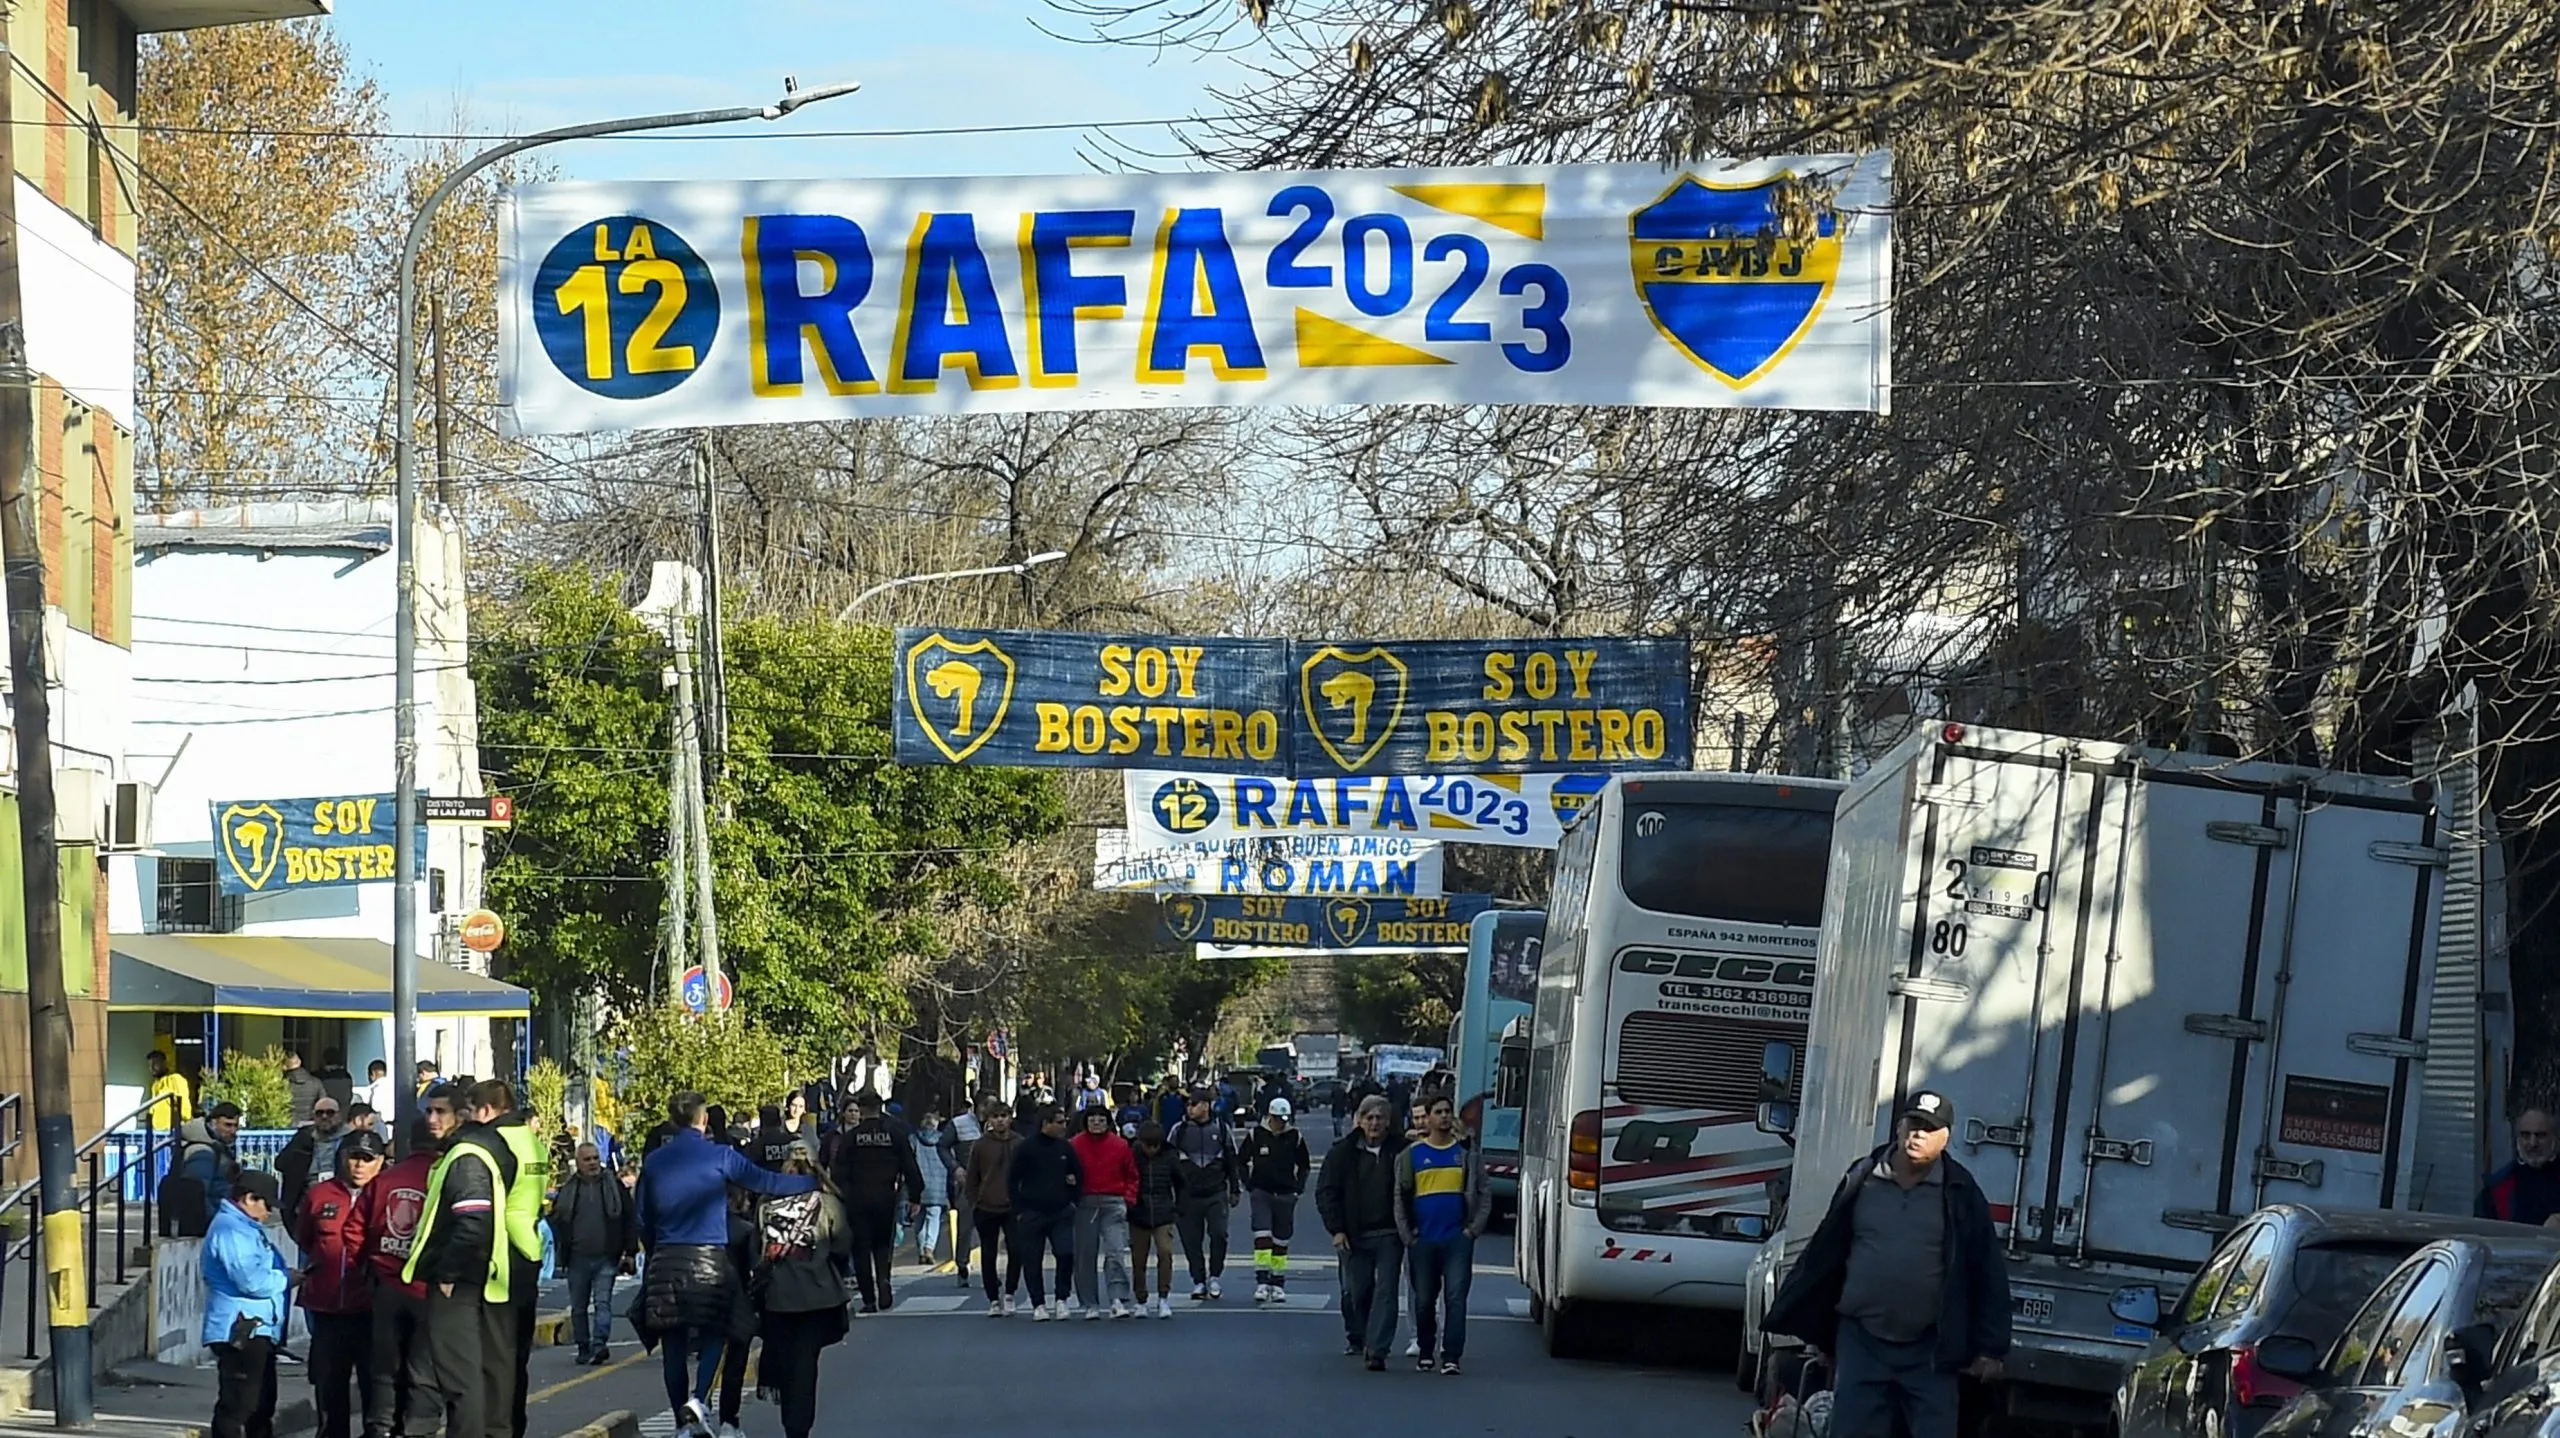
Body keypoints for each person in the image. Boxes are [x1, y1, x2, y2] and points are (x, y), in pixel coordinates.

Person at [1762, 1091, 2011, 1438]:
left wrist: (1991, 1348)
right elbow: (1826, 1256)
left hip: (1930, 1348)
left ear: (1946, 1138)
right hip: (1862, 1339)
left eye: (1929, 1128)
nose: (1918, 1134)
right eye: (1913, 1124)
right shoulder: (1863, 1178)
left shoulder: (1959, 1191)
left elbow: (1986, 1270)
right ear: (1898, 1127)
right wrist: (1820, 1334)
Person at [636, 1092, 816, 1438]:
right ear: (703, 1121)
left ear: (673, 1120)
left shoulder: (655, 1162)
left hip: (665, 1259)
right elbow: (767, 1182)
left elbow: (642, 1217)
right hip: (708, 1258)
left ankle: (681, 1424)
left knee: (672, 1345)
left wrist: (655, 1246)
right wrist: (811, 1182)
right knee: (721, 1331)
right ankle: (700, 1400)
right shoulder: (720, 1155)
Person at [404, 1078, 517, 1438]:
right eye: (429, 1112)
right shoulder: (466, 1151)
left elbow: (472, 1221)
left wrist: (449, 1273)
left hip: (459, 1282)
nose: (432, 1119)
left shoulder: (467, 1157)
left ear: (463, 1115)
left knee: (458, 1378)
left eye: (441, 1112)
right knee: (450, 1372)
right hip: (470, 1279)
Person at [746, 1144, 853, 1438]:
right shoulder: (827, 1203)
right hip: (818, 1295)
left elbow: (757, 1250)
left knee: (787, 1361)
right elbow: (843, 1245)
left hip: (777, 1298)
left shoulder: (766, 1205)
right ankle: (799, 1425)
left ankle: (791, 1421)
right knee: (806, 1364)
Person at [348, 1111, 443, 1438]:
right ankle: (420, 1427)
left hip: (386, 1285)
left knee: (385, 1365)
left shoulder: (385, 1181)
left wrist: (369, 1264)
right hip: (427, 1287)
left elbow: (354, 1231)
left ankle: (382, 1426)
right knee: (424, 1366)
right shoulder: (441, 1177)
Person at [465, 1080, 549, 1438]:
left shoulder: (492, 1143)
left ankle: (496, 1429)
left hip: (499, 1258)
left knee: (495, 1356)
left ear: (485, 1111)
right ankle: (514, 1426)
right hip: (529, 1249)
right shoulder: (533, 1143)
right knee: (516, 1356)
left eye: (470, 1112)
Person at [296, 1129, 385, 1438]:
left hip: (372, 1310)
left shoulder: (387, 1194)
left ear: (380, 1162)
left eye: (366, 1159)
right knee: (329, 1387)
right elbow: (306, 1237)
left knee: (376, 1387)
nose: (359, 1165)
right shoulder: (320, 1194)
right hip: (327, 1308)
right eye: (353, 1157)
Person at [1396, 1092, 1490, 1376]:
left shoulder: (1465, 1154)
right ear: (1429, 1117)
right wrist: (1408, 1236)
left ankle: (1451, 1355)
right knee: (1424, 1300)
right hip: (1423, 1240)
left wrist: (1471, 1231)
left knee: (1456, 1297)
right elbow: (1399, 1197)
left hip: (1456, 1239)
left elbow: (1483, 1194)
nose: (1444, 1116)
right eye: (1438, 1112)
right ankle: (1426, 1350)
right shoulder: (1411, 1155)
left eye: (1448, 1111)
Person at [1320, 1095, 1410, 1369]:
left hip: (1390, 1234)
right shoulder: (1342, 1153)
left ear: (1388, 1122)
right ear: (1359, 1120)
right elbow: (1326, 1193)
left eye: (1380, 1118)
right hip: (1354, 1236)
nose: (1374, 1123)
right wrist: (1337, 1230)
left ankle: (1377, 1349)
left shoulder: (1402, 1151)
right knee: (1357, 1291)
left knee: (1386, 1291)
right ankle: (1359, 1334)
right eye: (1369, 1117)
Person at [205, 1170, 290, 1438]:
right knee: (239, 1405)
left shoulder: (246, 1229)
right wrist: (286, 1279)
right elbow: (250, 1280)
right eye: (267, 1205)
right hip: (241, 1329)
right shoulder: (231, 1230)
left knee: (261, 1406)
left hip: (256, 1328)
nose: (269, 1213)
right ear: (249, 1198)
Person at [826, 1090, 923, 1313]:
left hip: (858, 1197)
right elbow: (909, 1166)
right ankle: (884, 1280)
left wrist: (843, 1194)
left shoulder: (851, 1137)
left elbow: (839, 1170)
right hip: (886, 1196)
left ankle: (869, 1299)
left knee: (860, 1248)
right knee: (882, 1245)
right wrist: (915, 1196)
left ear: (861, 1110)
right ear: (880, 1109)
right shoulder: (895, 1133)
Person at [549, 1142, 634, 1365]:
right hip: (577, 1258)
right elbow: (558, 1220)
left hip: (606, 1257)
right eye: (587, 1160)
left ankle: (599, 1344)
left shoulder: (614, 1186)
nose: (593, 1163)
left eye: (596, 1158)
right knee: (578, 1307)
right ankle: (583, 1346)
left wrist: (630, 1251)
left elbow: (629, 1218)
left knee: (603, 1303)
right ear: (578, 1164)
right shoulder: (569, 1189)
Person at [1008, 1106, 1083, 1320]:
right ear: (1045, 1123)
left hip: (1061, 1211)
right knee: (1032, 1259)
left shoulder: (1065, 1148)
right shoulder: (1025, 1148)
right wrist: (1019, 1210)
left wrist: (1073, 1200)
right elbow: (1013, 1180)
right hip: (1032, 1212)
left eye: (1064, 1121)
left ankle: (1061, 1299)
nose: (1063, 1126)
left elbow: (1077, 1174)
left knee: (1066, 1253)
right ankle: (1038, 1303)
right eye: (1058, 1122)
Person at [1238, 1097, 1311, 1304]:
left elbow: (1304, 1165)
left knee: (1281, 1239)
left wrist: (1298, 1188)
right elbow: (1241, 1161)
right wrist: (1249, 1184)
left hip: (1286, 1194)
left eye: (1284, 1119)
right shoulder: (1256, 1135)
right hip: (1262, 1192)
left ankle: (1277, 1282)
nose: (1281, 1123)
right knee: (1262, 1236)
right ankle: (1262, 1281)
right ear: (1270, 1116)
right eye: (1277, 1119)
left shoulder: (1294, 1136)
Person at [1168, 1088, 1238, 1302]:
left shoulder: (1222, 1129)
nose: (1189, 1108)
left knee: (1219, 1234)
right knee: (1191, 1240)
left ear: (1206, 1106)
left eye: (1194, 1104)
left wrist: (1235, 1189)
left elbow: (1231, 1161)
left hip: (1216, 1192)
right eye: (1188, 1105)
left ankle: (1215, 1276)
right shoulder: (1178, 1131)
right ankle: (1198, 1280)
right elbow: (1167, 1161)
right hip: (1187, 1195)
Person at [1069, 1105, 1139, 1319]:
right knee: (1084, 1255)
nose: (1097, 1123)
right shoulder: (1074, 1145)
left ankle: (1117, 1299)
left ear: (1108, 1122)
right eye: (1092, 1120)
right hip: (1085, 1203)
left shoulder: (1120, 1146)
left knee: (1115, 1251)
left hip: (1113, 1202)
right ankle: (1089, 1303)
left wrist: (1128, 1199)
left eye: (1101, 1119)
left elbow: (1132, 1175)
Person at [962, 1107, 1021, 1315]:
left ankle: (1010, 1293)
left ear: (1010, 1118)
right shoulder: (981, 1145)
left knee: (1016, 1250)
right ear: (989, 1120)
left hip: (1014, 1206)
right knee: (989, 1253)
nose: (1000, 1121)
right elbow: (972, 1177)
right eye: (995, 1117)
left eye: (1003, 1117)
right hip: (986, 1205)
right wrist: (974, 1201)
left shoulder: (1019, 1143)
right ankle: (993, 1298)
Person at [166, 1101, 245, 1237]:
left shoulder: (216, 1148)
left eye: (235, 1126)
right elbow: (197, 1196)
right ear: (213, 1123)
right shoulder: (202, 1152)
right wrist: (218, 1222)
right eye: (227, 1125)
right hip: (210, 1227)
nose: (233, 1131)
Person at [1130, 1120, 1181, 1319]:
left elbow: (1180, 1182)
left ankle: (1163, 1297)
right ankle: (1141, 1299)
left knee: (1165, 1253)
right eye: (1147, 1145)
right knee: (1138, 1259)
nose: (1151, 1150)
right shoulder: (1133, 1155)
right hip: (1139, 1212)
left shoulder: (1170, 1156)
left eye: (1155, 1145)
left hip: (1163, 1211)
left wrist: (1178, 1208)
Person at [2481, 1107, 2560, 1225]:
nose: (2533, 1143)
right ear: (2517, 1139)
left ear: (2554, 1138)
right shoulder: (2498, 1186)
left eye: (2540, 1135)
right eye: (2526, 1135)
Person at [277, 1096, 348, 1222]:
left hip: (340, 1203)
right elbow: (280, 1163)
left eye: (330, 1113)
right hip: (307, 1204)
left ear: (339, 1116)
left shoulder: (350, 1139)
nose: (324, 1117)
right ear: (313, 1117)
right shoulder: (304, 1138)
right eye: (320, 1113)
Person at [911, 1099, 956, 1270]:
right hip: (938, 1187)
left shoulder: (913, 1140)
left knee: (919, 1219)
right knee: (933, 1218)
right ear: (936, 1124)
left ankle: (922, 1250)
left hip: (918, 1186)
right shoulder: (944, 1142)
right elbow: (951, 1164)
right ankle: (929, 1248)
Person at [950, 1096, 984, 1289]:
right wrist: (955, 1167)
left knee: (993, 1229)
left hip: (994, 1183)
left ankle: (990, 1270)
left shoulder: (1002, 1124)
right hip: (969, 1183)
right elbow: (942, 1145)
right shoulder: (960, 1124)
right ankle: (962, 1264)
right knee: (965, 1227)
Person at [145, 1048, 193, 1130]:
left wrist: (185, 1119)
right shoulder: (155, 1085)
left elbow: (183, 1102)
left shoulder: (175, 1079)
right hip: (157, 1130)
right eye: (150, 1065)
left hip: (172, 1130)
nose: (152, 1068)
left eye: (155, 1064)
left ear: (164, 1063)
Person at [284, 1049, 326, 1126]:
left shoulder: (281, 1084)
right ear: (299, 1062)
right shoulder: (316, 1082)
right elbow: (323, 1104)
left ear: (284, 1066)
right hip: (310, 1124)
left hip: (287, 1124)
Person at [751, 1104, 798, 1172]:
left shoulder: (757, 1145)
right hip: (789, 1180)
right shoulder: (792, 1142)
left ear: (762, 1123)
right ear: (779, 1121)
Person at [315, 1048, 357, 1114]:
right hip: (343, 1113)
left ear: (324, 1059)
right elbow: (349, 1096)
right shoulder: (346, 1076)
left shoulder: (318, 1077)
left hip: (325, 1112)